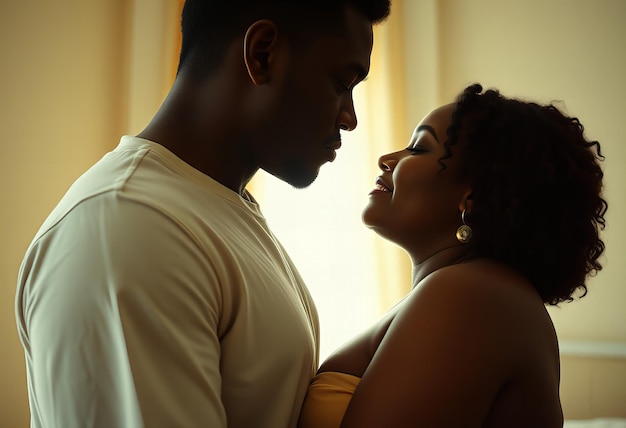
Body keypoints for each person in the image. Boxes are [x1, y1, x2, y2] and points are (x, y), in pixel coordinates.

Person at [15, 1, 391, 427]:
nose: (350, 118)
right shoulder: (133, 224)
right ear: (262, 54)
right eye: (342, 83)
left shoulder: (211, 209)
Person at [298, 83, 607, 428]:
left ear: (471, 198)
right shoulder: (472, 289)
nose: (387, 159)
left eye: (418, 148)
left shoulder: (472, 294)